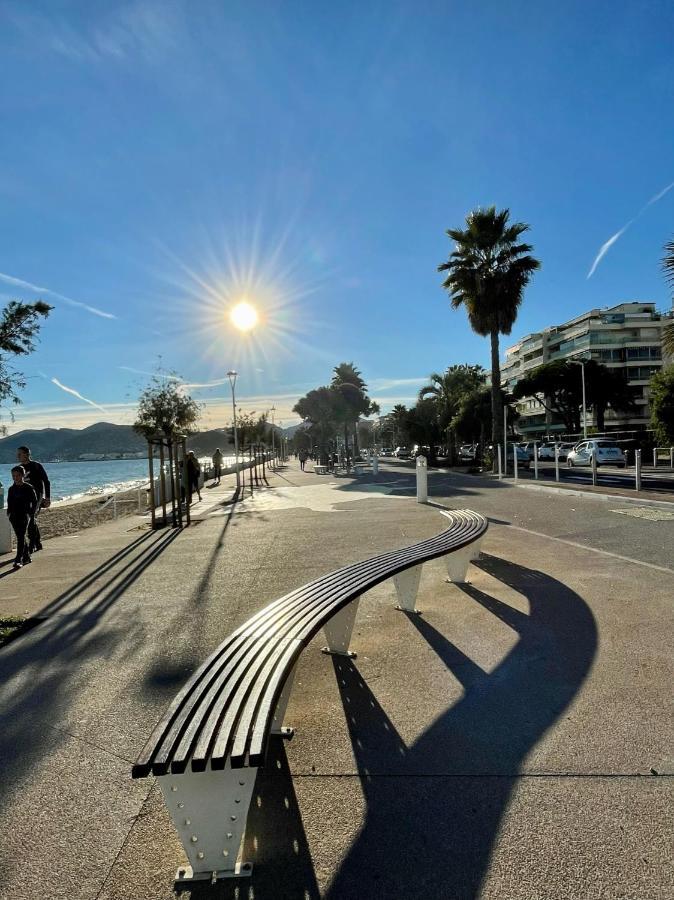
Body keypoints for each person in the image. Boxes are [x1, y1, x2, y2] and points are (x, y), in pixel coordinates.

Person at [16, 445, 50, 552]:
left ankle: (33, 544)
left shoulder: (36, 466)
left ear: (27, 454)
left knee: (31, 518)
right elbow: (17, 484)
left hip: (37, 496)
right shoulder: (19, 468)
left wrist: (47, 497)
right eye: (17, 454)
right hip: (25, 498)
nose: (18, 456)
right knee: (29, 520)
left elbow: (46, 481)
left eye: (20, 454)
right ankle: (37, 543)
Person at [6, 465, 38, 569]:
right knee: (20, 536)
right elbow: (9, 502)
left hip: (25, 515)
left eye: (18, 475)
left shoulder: (28, 487)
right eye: (13, 476)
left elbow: (35, 501)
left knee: (20, 536)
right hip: (13, 516)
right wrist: (9, 514)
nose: (15, 477)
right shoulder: (11, 489)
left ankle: (18, 560)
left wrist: (31, 513)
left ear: (23, 475)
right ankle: (27, 557)